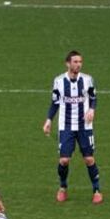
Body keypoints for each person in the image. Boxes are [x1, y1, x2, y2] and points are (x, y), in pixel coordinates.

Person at [43, 50, 102, 205]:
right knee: (64, 160)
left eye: (80, 62)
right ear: (68, 63)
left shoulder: (88, 80)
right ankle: (63, 188)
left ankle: (96, 190)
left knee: (89, 159)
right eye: (75, 62)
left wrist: (92, 109)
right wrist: (49, 120)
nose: (78, 65)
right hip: (66, 125)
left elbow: (93, 97)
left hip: (85, 126)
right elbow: (55, 102)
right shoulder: (59, 81)